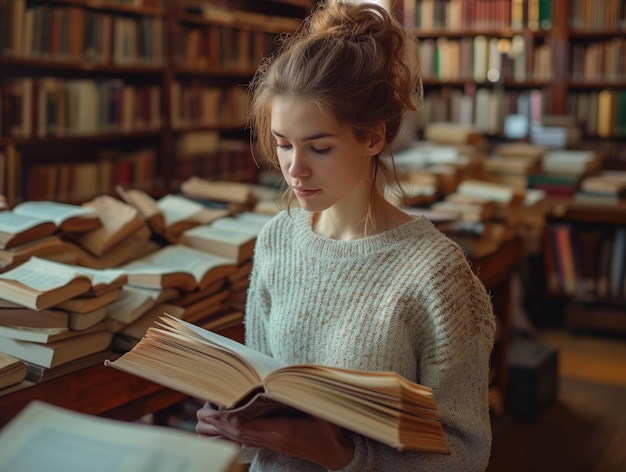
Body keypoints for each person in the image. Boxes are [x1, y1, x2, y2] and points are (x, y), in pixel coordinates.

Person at [196, 1, 495, 470]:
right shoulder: (277, 238)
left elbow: (463, 453)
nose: (295, 169)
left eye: (320, 146)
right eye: (283, 143)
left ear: (373, 138)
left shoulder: (436, 275)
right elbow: (259, 386)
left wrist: (341, 455)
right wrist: (234, 420)